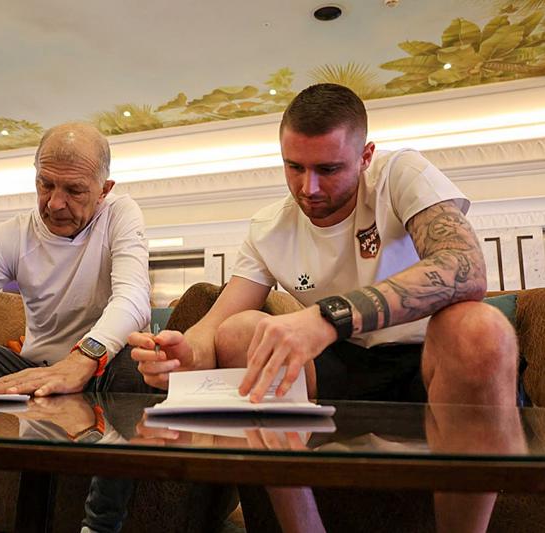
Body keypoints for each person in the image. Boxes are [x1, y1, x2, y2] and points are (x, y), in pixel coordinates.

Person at [129, 84, 521, 533]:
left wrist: (327, 317)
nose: (307, 188)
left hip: (431, 356)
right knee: (239, 333)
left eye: (328, 169)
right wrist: (183, 355)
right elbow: (216, 325)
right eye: (294, 167)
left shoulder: (401, 173)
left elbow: (464, 267)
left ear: (366, 156)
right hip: (344, 367)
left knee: (477, 327)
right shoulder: (269, 228)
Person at [0, 122, 151, 533]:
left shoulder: (120, 214)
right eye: (45, 184)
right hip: (31, 370)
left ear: (104, 190)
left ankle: (100, 526)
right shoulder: (11, 235)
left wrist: (83, 357)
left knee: (136, 363)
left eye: (74, 190)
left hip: (104, 371)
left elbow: (134, 299)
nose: (55, 203)